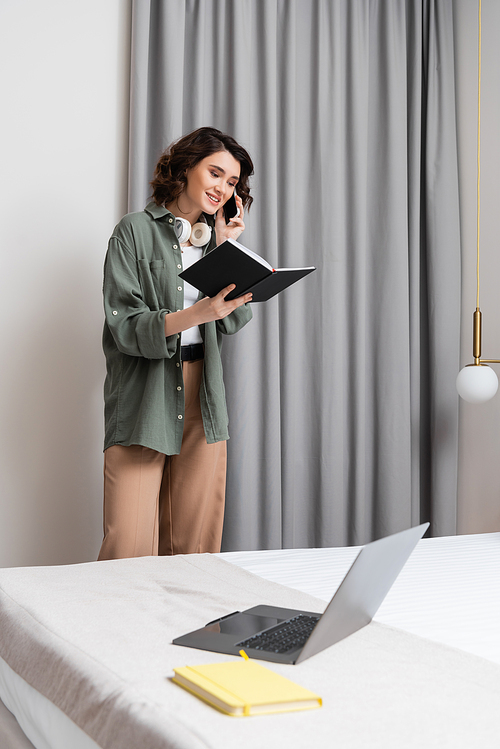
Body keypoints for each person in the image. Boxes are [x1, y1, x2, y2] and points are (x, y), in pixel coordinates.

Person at [98, 127, 254, 560]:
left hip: (203, 391)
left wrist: (227, 249)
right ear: (186, 168)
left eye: (232, 182)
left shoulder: (214, 242)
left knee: (194, 548)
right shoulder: (133, 232)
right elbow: (125, 327)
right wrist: (195, 314)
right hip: (143, 392)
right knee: (127, 545)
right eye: (216, 173)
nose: (223, 189)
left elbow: (237, 317)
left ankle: (189, 630)